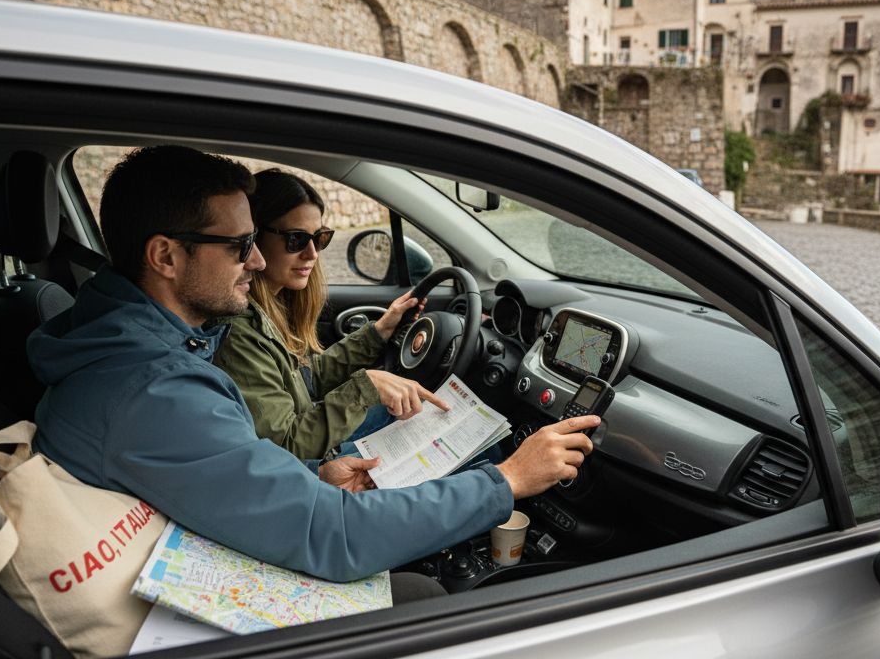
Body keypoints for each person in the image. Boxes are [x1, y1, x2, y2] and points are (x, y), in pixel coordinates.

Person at [30, 145, 597, 586]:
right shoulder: (155, 390)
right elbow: (336, 536)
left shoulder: (147, 341)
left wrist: (310, 477)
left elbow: (244, 457)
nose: (256, 260)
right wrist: (508, 480)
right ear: (166, 256)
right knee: (431, 594)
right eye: (238, 246)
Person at [213, 169, 441, 460]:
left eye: (319, 238)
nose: (312, 253)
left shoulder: (271, 308)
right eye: (296, 239)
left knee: (427, 413)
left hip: (313, 441)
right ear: (254, 237)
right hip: (310, 462)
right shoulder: (239, 331)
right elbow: (285, 448)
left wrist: (379, 331)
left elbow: (308, 379)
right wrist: (364, 388)